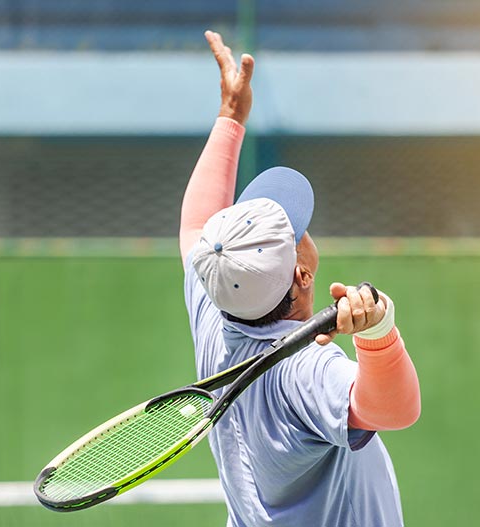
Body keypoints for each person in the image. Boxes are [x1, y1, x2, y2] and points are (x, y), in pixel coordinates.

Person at [179, 31, 421, 527]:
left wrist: (231, 114)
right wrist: (378, 336)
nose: (303, 228)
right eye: (296, 230)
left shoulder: (215, 304)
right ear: (303, 272)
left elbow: (195, 227)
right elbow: (394, 411)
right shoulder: (306, 372)